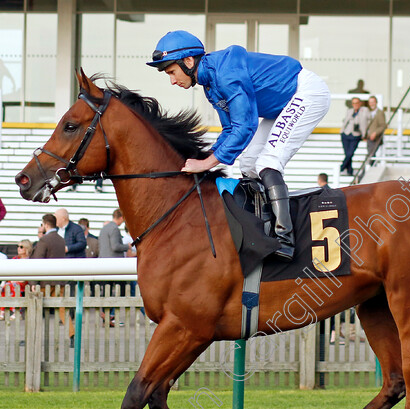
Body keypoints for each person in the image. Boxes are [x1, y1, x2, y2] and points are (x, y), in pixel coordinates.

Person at [147, 30, 330, 260]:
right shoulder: (210, 85)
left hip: (307, 92)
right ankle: (261, 231)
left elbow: (245, 127)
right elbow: (231, 129)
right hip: (281, 105)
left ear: (188, 61)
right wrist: (209, 157)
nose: (172, 80)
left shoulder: (225, 73)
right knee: (249, 162)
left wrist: (206, 164)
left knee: (267, 162)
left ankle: (285, 240)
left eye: (172, 72)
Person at [30, 214, 74, 343]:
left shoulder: (44, 240)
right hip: (59, 280)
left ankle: (31, 337)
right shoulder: (61, 239)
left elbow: (37, 261)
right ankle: (72, 335)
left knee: (34, 308)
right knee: (63, 310)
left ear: (45, 224)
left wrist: (33, 282)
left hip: (45, 282)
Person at [1, 239, 32, 320]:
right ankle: (2, 310)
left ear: (27, 248)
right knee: (6, 286)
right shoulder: (15, 259)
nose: (19, 248)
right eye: (18, 246)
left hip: (24, 282)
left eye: (21, 247)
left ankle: (17, 312)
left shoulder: (29, 260)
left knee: (15, 286)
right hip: (13, 280)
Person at [339, 97, 369, 176]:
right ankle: (349, 170)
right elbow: (345, 121)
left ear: (360, 103)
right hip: (346, 134)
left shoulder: (363, 111)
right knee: (347, 154)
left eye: (356, 103)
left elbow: (364, 122)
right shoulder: (349, 111)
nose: (355, 105)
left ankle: (342, 167)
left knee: (350, 153)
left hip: (356, 135)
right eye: (353, 103)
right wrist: (342, 131)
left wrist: (364, 134)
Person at [365, 96, 387, 161]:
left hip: (376, 137)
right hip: (369, 137)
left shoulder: (380, 113)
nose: (371, 104)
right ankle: (371, 167)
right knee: (371, 154)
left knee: (371, 154)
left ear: (376, 102)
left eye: (373, 102)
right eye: (370, 102)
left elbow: (383, 126)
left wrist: (375, 133)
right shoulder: (368, 112)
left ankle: (366, 168)